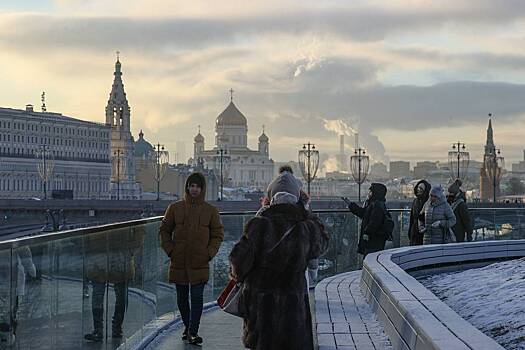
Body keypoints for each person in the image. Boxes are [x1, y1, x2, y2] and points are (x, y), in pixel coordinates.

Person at [229, 184, 329, 350]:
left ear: (271, 204)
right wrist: (308, 214)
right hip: (293, 297)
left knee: (263, 342)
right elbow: (322, 245)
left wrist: (237, 276)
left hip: (262, 298)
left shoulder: (259, 225)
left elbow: (238, 259)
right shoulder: (306, 227)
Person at [159, 172, 224, 345]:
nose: (194, 189)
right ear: (187, 187)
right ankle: (188, 328)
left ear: (202, 189)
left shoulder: (210, 211)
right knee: (182, 298)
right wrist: (170, 250)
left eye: (198, 186)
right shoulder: (175, 208)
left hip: (200, 262)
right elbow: (164, 230)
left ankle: (193, 332)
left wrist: (209, 253)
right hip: (179, 260)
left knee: (197, 298)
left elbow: (217, 235)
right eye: (191, 186)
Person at [84, 226, 143, 342]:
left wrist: (89, 250)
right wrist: (129, 252)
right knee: (117, 296)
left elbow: (140, 231)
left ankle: (101, 330)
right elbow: (140, 232)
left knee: (102, 296)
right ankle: (113, 329)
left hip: (103, 258)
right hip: (115, 258)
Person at [347, 183, 390, 257]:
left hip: (373, 241)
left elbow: (374, 222)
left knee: (369, 260)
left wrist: (366, 233)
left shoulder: (376, 205)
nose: (369, 194)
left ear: (375, 193)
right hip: (374, 241)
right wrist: (351, 205)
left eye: (370, 192)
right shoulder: (375, 204)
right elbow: (363, 213)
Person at [408, 180, 431, 246]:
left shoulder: (428, 201)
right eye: (418, 187)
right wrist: (410, 230)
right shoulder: (415, 201)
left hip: (424, 231)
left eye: (421, 188)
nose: (419, 189)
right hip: (414, 231)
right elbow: (411, 217)